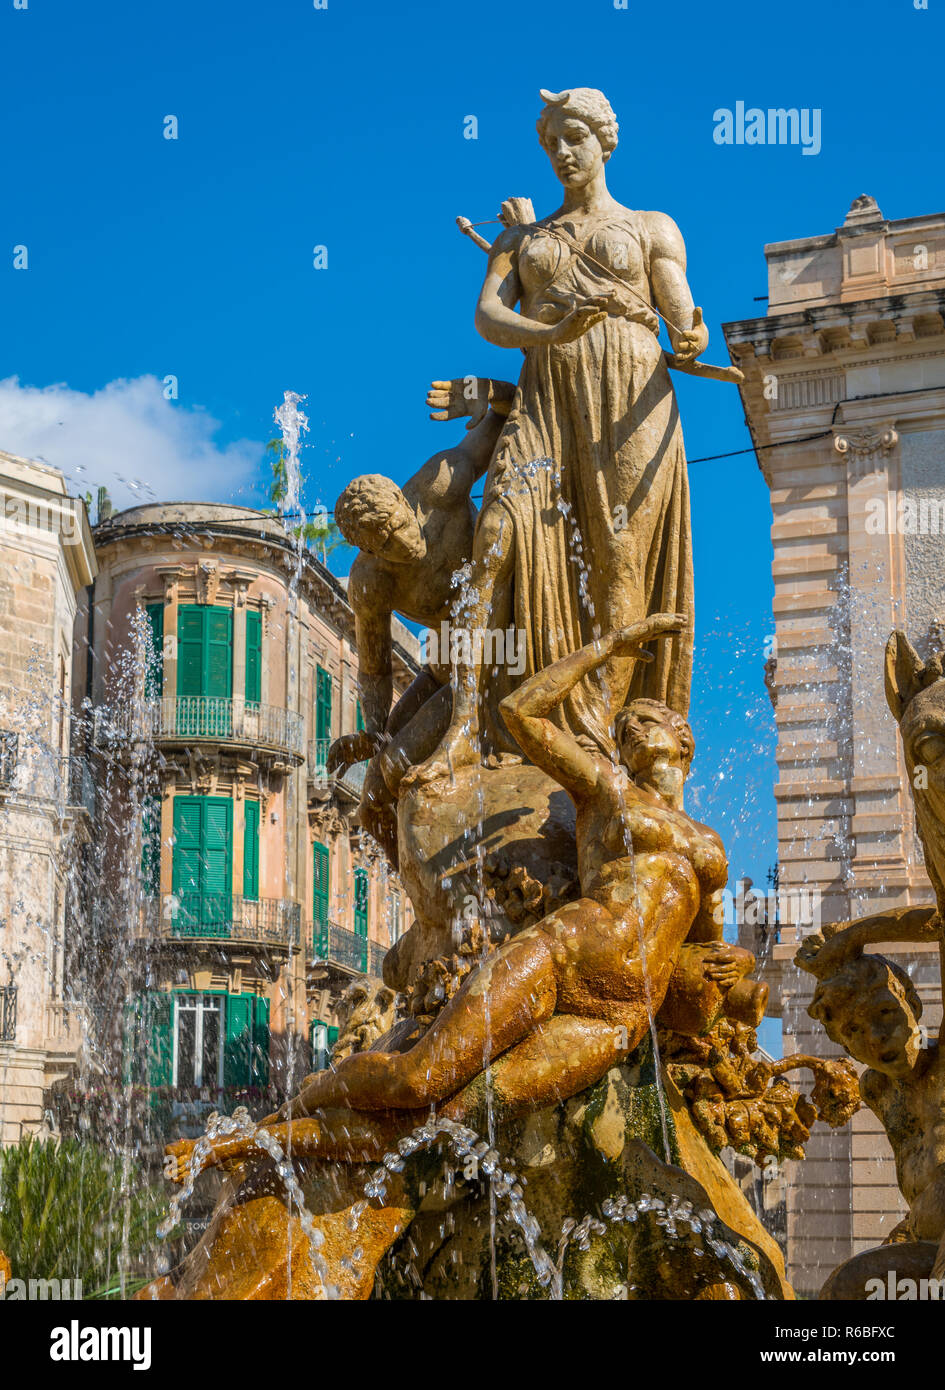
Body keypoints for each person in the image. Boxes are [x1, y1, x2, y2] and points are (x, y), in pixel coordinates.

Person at [407, 88, 706, 787]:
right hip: (545, 393)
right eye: (552, 143)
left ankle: (606, 734)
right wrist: (547, 333)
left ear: (605, 140)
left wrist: (688, 333)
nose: (563, 152)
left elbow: (677, 303)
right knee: (498, 539)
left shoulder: (649, 226)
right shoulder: (523, 240)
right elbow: (487, 315)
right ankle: (465, 729)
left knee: (617, 558)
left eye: (575, 136)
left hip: (630, 393)